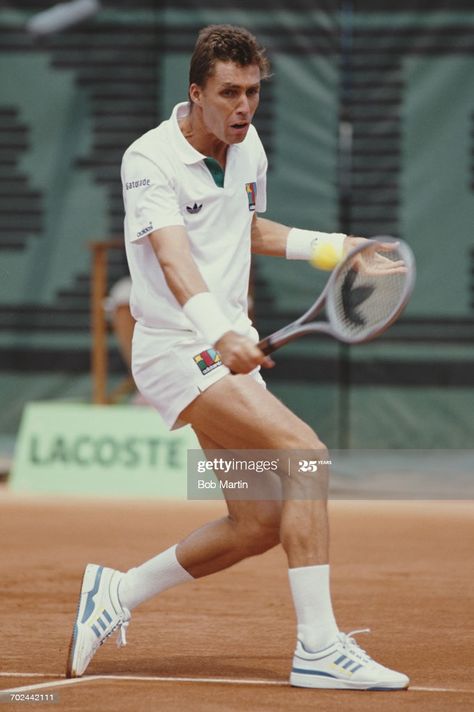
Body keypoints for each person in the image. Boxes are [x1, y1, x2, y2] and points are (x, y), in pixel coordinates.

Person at [66, 25, 409, 690]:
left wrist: (341, 247)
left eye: (253, 92)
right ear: (195, 93)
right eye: (228, 93)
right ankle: (317, 645)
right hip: (177, 351)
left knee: (257, 524)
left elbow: (246, 228)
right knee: (304, 454)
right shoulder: (149, 160)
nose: (243, 106)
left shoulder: (247, 147)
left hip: (219, 347)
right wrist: (218, 331)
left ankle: (118, 592)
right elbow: (171, 256)